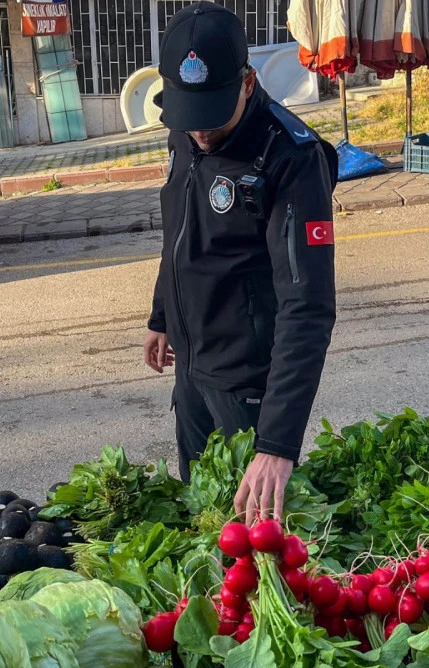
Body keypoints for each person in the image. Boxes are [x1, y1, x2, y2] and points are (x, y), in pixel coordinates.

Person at [143, 3, 339, 525]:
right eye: (189, 116)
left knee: (253, 546)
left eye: (211, 116)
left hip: (250, 390)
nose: (199, 133)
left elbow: (309, 305)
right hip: (191, 370)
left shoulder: (292, 158)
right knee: (200, 528)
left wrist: (277, 441)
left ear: (248, 83)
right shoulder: (186, 127)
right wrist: (163, 315)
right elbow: (180, 226)